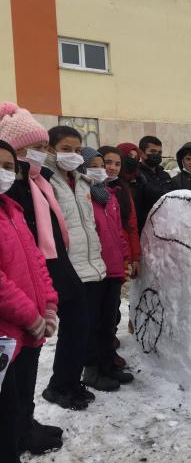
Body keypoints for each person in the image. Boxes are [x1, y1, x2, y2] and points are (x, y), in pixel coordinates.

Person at [0, 102, 70, 453]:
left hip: (31, 313)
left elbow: (36, 256)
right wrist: (32, 315)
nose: (42, 154)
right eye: (35, 148)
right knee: (9, 396)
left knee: (23, 382)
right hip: (11, 322)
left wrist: (49, 303)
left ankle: (23, 428)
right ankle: (17, 435)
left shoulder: (20, 199)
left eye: (9, 167)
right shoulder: (14, 193)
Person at [42, 126, 106, 410]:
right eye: (66, 149)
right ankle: (59, 386)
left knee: (82, 330)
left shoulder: (81, 182)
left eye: (78, 150)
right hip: (66, 268)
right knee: (73, 330)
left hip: (89, 265)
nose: (73, 155)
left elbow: (88, 225)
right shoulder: (45, 181)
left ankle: (70, 382)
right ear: (51, 149)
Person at [80, 148, 134, 392]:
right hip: (95, 270)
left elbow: (119, 232)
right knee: (93, 323)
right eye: (95, 165)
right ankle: (92, 370)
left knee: (108, 322)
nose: (103, 170)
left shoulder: (109, 196)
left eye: (105, 165)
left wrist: (124, 258)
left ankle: (108, 364)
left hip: (112, 269)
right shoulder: (83, 197)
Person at [99, 145, 141, 368]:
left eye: (117, 164)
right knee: (98, 311)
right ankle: (98, 358)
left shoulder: (122, 190)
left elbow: (131, 225)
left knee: (112, 307)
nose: (112, 168)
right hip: (96, 259)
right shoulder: (88, 187)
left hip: (119, 256)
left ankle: (108, 347)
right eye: (108, 162)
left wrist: (134, 257)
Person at [135, 135, 175, 233]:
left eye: (159, 152)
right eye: (152, 151)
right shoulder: (137, 175)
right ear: (141, 153)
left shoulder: (165, 175)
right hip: (145, 229)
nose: (157, 155)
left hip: (165, 227)